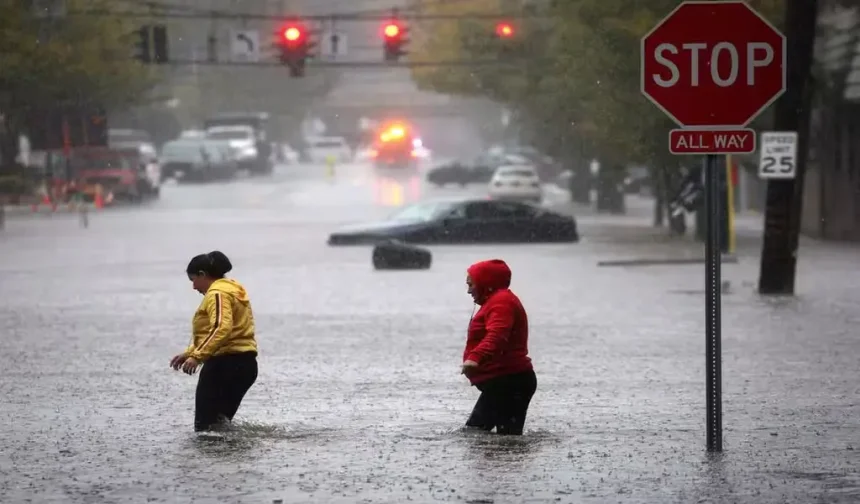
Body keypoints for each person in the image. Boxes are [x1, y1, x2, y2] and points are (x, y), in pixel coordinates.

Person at [170, 251, 258, 432]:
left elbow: (221, 328)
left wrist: (197, 356)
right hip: (245, 365)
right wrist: (189, 352)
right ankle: (233, 458)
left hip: (224, 365)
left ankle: (213, 460)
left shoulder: (217, 294)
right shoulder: (234, 290)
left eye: (193, 279)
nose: (194, 287)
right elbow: (227, 332)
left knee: (205, 430)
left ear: (203, 274)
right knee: (218, 425)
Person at [461, 259, 537, 435]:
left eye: (471, 284)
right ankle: (509, 463)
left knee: (475, 434)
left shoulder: (501, 302)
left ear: (485, 282)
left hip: (509, 381)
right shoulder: (497, 301)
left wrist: (475, 358)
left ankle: (505, 462)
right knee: (507, 439)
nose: (468, 290)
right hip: (509, 380)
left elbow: (497, 335)